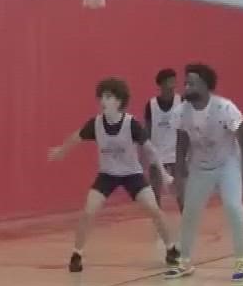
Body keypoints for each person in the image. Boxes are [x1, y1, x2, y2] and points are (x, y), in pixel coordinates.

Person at [47, 77, 178, 273]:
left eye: (108, 97)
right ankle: (77, 254)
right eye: (101, 97)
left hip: (132, 174)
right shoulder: (96, 124)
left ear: (119, 101)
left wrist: (163, 174)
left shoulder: (131, 124)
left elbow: (150, 150)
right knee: (88, 211)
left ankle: (171, 249)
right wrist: (62, 151)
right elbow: (77, 136)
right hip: (107, 175)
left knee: (154, 210)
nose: (103, 101)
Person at [164, 63, 243, 282]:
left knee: (233, 207)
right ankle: (185, 261)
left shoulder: (225, 108)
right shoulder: (181, 112)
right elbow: (182, 144)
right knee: (190, 211)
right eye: (186, 82)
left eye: (191, 82)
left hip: (227, 164)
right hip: (199, 167)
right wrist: (180, 174)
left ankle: (242, 260)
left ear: (205, 86)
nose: (186, 86)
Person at [144, 68, 185, 210]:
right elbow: (147, 131)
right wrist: (148, 154)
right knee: (155, 196)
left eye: (174, 81)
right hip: (157, 154)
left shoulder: (182, 101)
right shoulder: (151, 105)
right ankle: (160, 228)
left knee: (182, 194)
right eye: (169, 82)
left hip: (176, 154)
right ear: (160, 85)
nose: (173, 85)